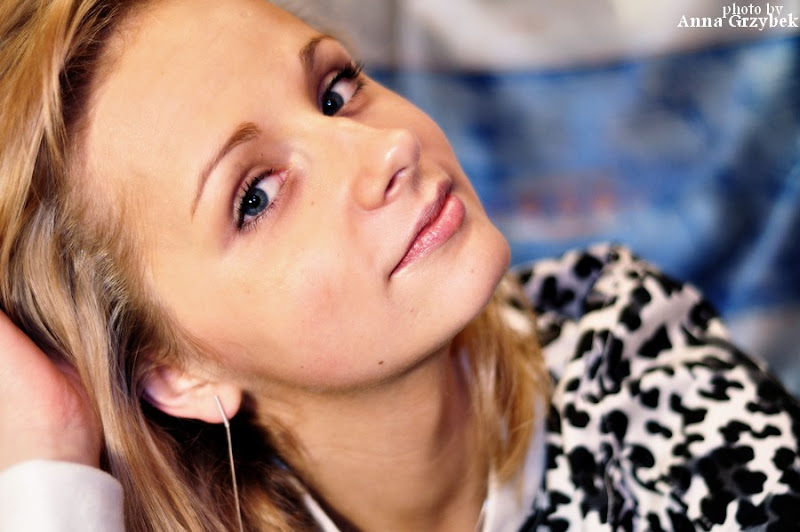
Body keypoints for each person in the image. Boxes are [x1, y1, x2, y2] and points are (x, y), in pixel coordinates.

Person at [0, 0, 797, 530]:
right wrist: (51, 456)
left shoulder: (631, 355)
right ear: (176, 374)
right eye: (256, 196)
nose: (387, 148)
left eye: (335, 91)